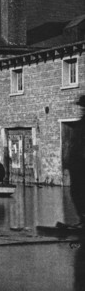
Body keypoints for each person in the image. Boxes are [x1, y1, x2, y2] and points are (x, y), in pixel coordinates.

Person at [68, 95, 85, 227]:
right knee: (76, 191)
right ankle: (83, 219)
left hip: (81, 164)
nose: (81, 109)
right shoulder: (80, 123)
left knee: (78, 191)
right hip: (77, 164)